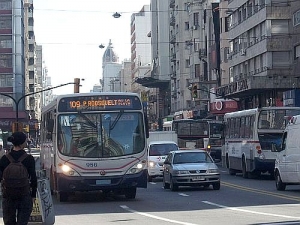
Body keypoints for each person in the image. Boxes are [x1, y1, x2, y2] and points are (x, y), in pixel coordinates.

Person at [0, 132, 37, 225]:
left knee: (9, 222)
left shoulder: (4, 158)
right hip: (24, 194)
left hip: (8, 195)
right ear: (22, 143)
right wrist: (33, 195)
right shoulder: (29, 158)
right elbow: (33, 178)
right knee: (22, 222)